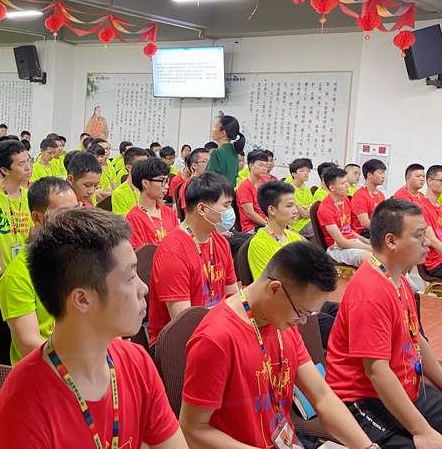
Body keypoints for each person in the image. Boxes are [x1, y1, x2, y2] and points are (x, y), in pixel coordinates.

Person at [0, 207, 186, 448]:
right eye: (130, 278)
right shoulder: (20, 408)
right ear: (82, 299)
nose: (143, 288)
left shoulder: (137, 362)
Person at [180, 242, 375, 449]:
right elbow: (193, 429)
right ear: (274, 289)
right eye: (302, 312)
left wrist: (367, 447)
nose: (303, 321)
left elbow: (322, 396)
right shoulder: (216, 338)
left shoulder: (281, 321)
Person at [326, 199, 442, 447]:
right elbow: (376, 371)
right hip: (363, 399)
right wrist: (422, 431)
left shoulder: (398, 279)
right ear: (391, 241)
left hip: (404, 387)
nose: (427, 242)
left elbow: (416, 338)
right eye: (419, 235)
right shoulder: (370, 292)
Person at [148, 172, 239, 346]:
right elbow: (183, 324)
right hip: (175, 343)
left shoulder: (220, 242)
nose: (230, 212)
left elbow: (233, 296)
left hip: (216, 330)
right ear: (202, 209)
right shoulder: (173, 252)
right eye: (226, 205)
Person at [0, 177, 78, 365]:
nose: (74, 220)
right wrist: (81, 359)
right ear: (37, 218)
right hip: (44, 368)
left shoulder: (80, 259)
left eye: (76, 210)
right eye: (64, 214)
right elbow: (28, 343)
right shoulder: (17, 276)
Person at [0, 140, 33, 269]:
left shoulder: (29, 195)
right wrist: (1, 273)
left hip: (23, 269)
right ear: (5, 170)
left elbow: (32, 237)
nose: (28, 167)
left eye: (29, 161)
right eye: (21, 164)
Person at [247, 180, 304, 280]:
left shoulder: (295, 238)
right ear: (272, 210)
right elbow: (267, 284)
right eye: (289, 206)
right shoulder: (259, 244)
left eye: (295, 205)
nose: (295, 211)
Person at [317, 167, 372, 267]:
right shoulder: (325, 209)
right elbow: (341, 242)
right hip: (337, 248)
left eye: (347, 181)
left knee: (385, 252)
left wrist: (367, 242)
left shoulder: (345, 200)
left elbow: (347, 229)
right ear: (332, 188)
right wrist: (369, 248)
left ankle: (394, 276)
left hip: (351, 242)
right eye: (343, 183)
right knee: (372, 258)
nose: (347, 185)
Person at [125, 158, 178, 250]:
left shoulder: (169, 212)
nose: (167, 186)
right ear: (145, 183)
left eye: (167, 181)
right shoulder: (134, 217)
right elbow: (140, 254)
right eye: (162, 181)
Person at [235, 149, 270, 234]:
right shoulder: (245, 186)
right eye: (261, 165)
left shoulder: (264, 182)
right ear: (251, 165)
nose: (264, 168)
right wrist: (269, 225)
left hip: (265, 223)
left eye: (266, 166)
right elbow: (250, 213)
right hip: (252, 228)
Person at [351, 159, 386, 238]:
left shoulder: (380, 195)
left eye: (384, 173)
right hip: (363, 233)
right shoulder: (360, 195)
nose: (383, 176)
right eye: (380, 173)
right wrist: (385, 230)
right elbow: (365, 223)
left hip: (376, 230)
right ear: (369, 175)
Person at [418, 165, 442, 278]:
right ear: (430, 181)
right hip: (436, 264)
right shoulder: (421, 207)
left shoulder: (439, 206)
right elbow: (432, 240)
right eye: (441, 180)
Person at [112, 147, 148, 216]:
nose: (146, 167)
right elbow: (123, 220)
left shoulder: (151, 187)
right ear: (129, 167)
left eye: (147, 163)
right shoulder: (119, 193)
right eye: (141, 164)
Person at [206, 115, 241, 187]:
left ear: (223, 133)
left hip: (217, 192)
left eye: (215, 127)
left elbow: (210, 180)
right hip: (230, 192)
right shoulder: (235, 153)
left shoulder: (217, 152)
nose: (212, 130)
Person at [287, 157, 316, 238]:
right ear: (294, 174)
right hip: (299, 226)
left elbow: (313, 208)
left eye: (307, 171)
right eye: (302, 171)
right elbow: (305, 214)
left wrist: (305, 209)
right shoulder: (290, 190)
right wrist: (307, 209)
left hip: (310, 221)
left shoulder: (306, 188)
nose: (306, 173)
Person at [176, 148, 210, 214]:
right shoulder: (189, 186)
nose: (209, 165)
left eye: (210, 161)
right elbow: (188, 213)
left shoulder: (207, 183)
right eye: (205, 161)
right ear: (194, 165)